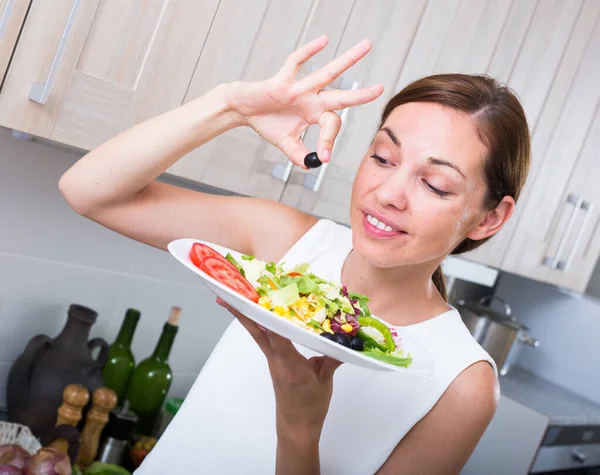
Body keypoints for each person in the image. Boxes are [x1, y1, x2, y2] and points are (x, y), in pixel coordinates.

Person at [59, 36, 530, 474]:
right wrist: (228, 107)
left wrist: (299, 429)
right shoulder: (288, 240)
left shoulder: (463, 384)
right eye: (383, 158)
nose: (388, 193)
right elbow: (90, 193)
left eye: (434, 184)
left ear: (489, 218)